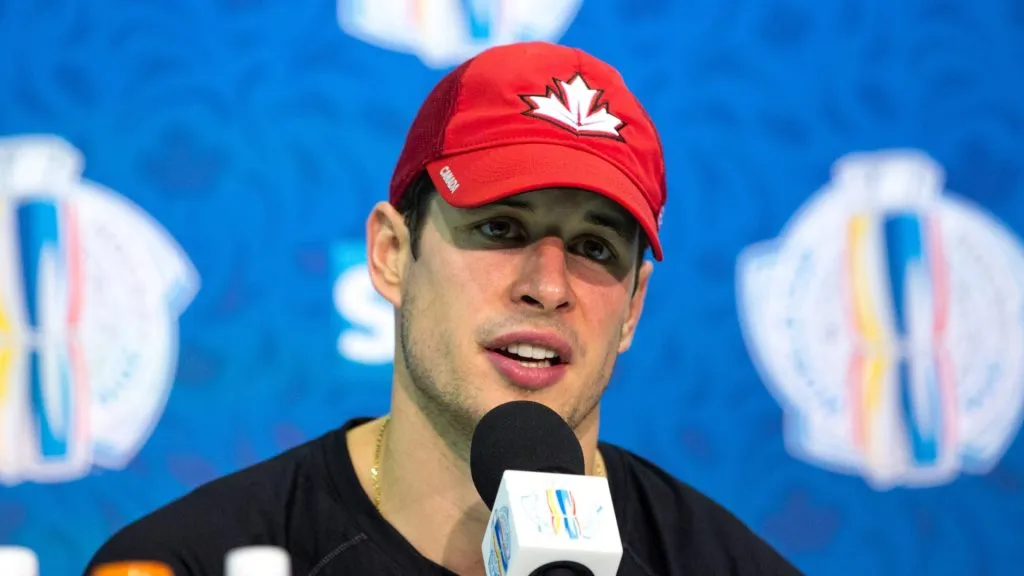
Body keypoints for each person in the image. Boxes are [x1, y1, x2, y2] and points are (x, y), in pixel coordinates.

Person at [86, 41, 802, 576]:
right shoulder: (186, 562)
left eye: (593, 247)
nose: (549, 285)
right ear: (392, 254)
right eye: (500, 228)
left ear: (634, 307)